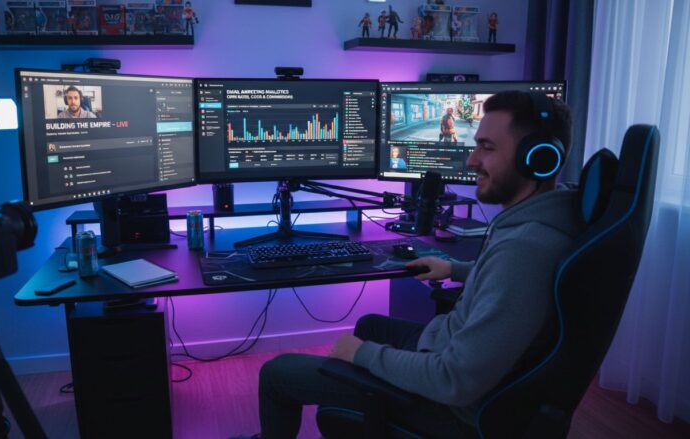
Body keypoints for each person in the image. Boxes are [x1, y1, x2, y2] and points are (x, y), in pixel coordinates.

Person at [241, 91, 579, 438]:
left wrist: (364, 356)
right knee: (370, 323)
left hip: (453, 411)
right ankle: (357, 408)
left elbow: (454, 380)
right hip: (457, 356)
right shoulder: (543, 220)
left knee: (277, 372)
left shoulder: (523, 250)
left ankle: (364, 408)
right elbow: (507, 287)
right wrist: (456, 269)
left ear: (539, 158)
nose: (472, 161)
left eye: (487, 148)